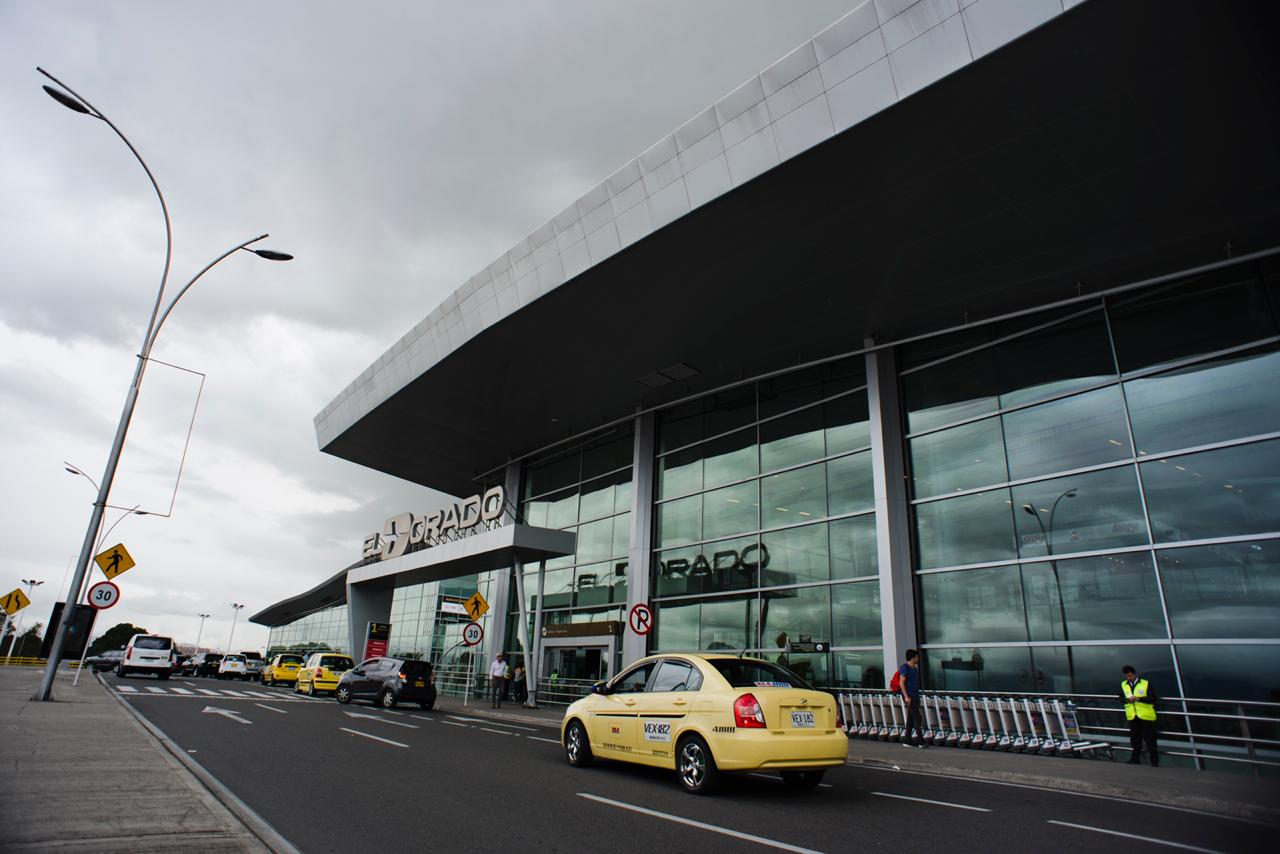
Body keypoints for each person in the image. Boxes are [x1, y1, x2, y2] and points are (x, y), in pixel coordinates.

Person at [1120, 664, 1159, 766]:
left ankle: (1154, 761)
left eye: (1130, 676)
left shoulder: (1145, 683)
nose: (1129, 678)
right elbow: (1120, 697)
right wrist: (1126, 700)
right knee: (1135, 738)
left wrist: (1139, 698)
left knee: (1149, 739)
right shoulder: (1124, 684)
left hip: (1146, 716)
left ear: (1135, 674)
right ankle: (1135, 759)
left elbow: (1153, 698)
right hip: (1133, 716)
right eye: (1127, 676)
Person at [898, 648, 925, 748]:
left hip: (915, 696)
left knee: (910, 719)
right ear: (913, 657)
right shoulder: (905, 668)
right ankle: (921, 741)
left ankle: (907, 740)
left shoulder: (914, 668)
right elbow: (901, 683)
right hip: (910, 697)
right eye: (917, 657)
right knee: (917, 718)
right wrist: (906, 697)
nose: (918, 658)